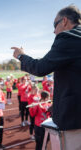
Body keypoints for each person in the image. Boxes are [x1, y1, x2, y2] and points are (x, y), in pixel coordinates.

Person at [12, 5, 81, 149]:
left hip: (74, 119)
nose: (54, 31)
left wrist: (21, 55)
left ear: (64, 21)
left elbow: (40, 67)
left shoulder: (68, 37)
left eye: (54, 25)